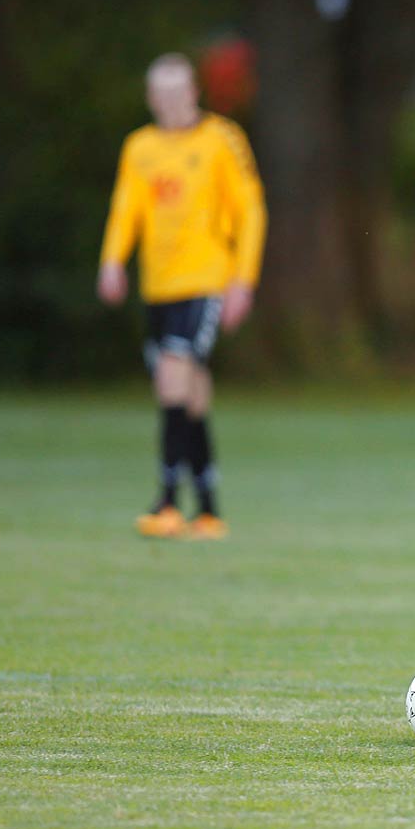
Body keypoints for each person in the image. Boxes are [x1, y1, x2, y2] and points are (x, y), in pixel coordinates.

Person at [97, 55, 267, 540]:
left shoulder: (221, 139)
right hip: (158, 286)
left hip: (206, 281)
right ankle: (209, 510)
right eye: (161, 93)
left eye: (179, 91)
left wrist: (243, 280)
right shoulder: (140, 147)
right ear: (151, 98)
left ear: (194, 92)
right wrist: (112, 260)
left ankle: (168, 501)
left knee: (172, 378)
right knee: (188, 393)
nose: (171, 102)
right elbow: (125, 207)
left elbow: (251, 209)